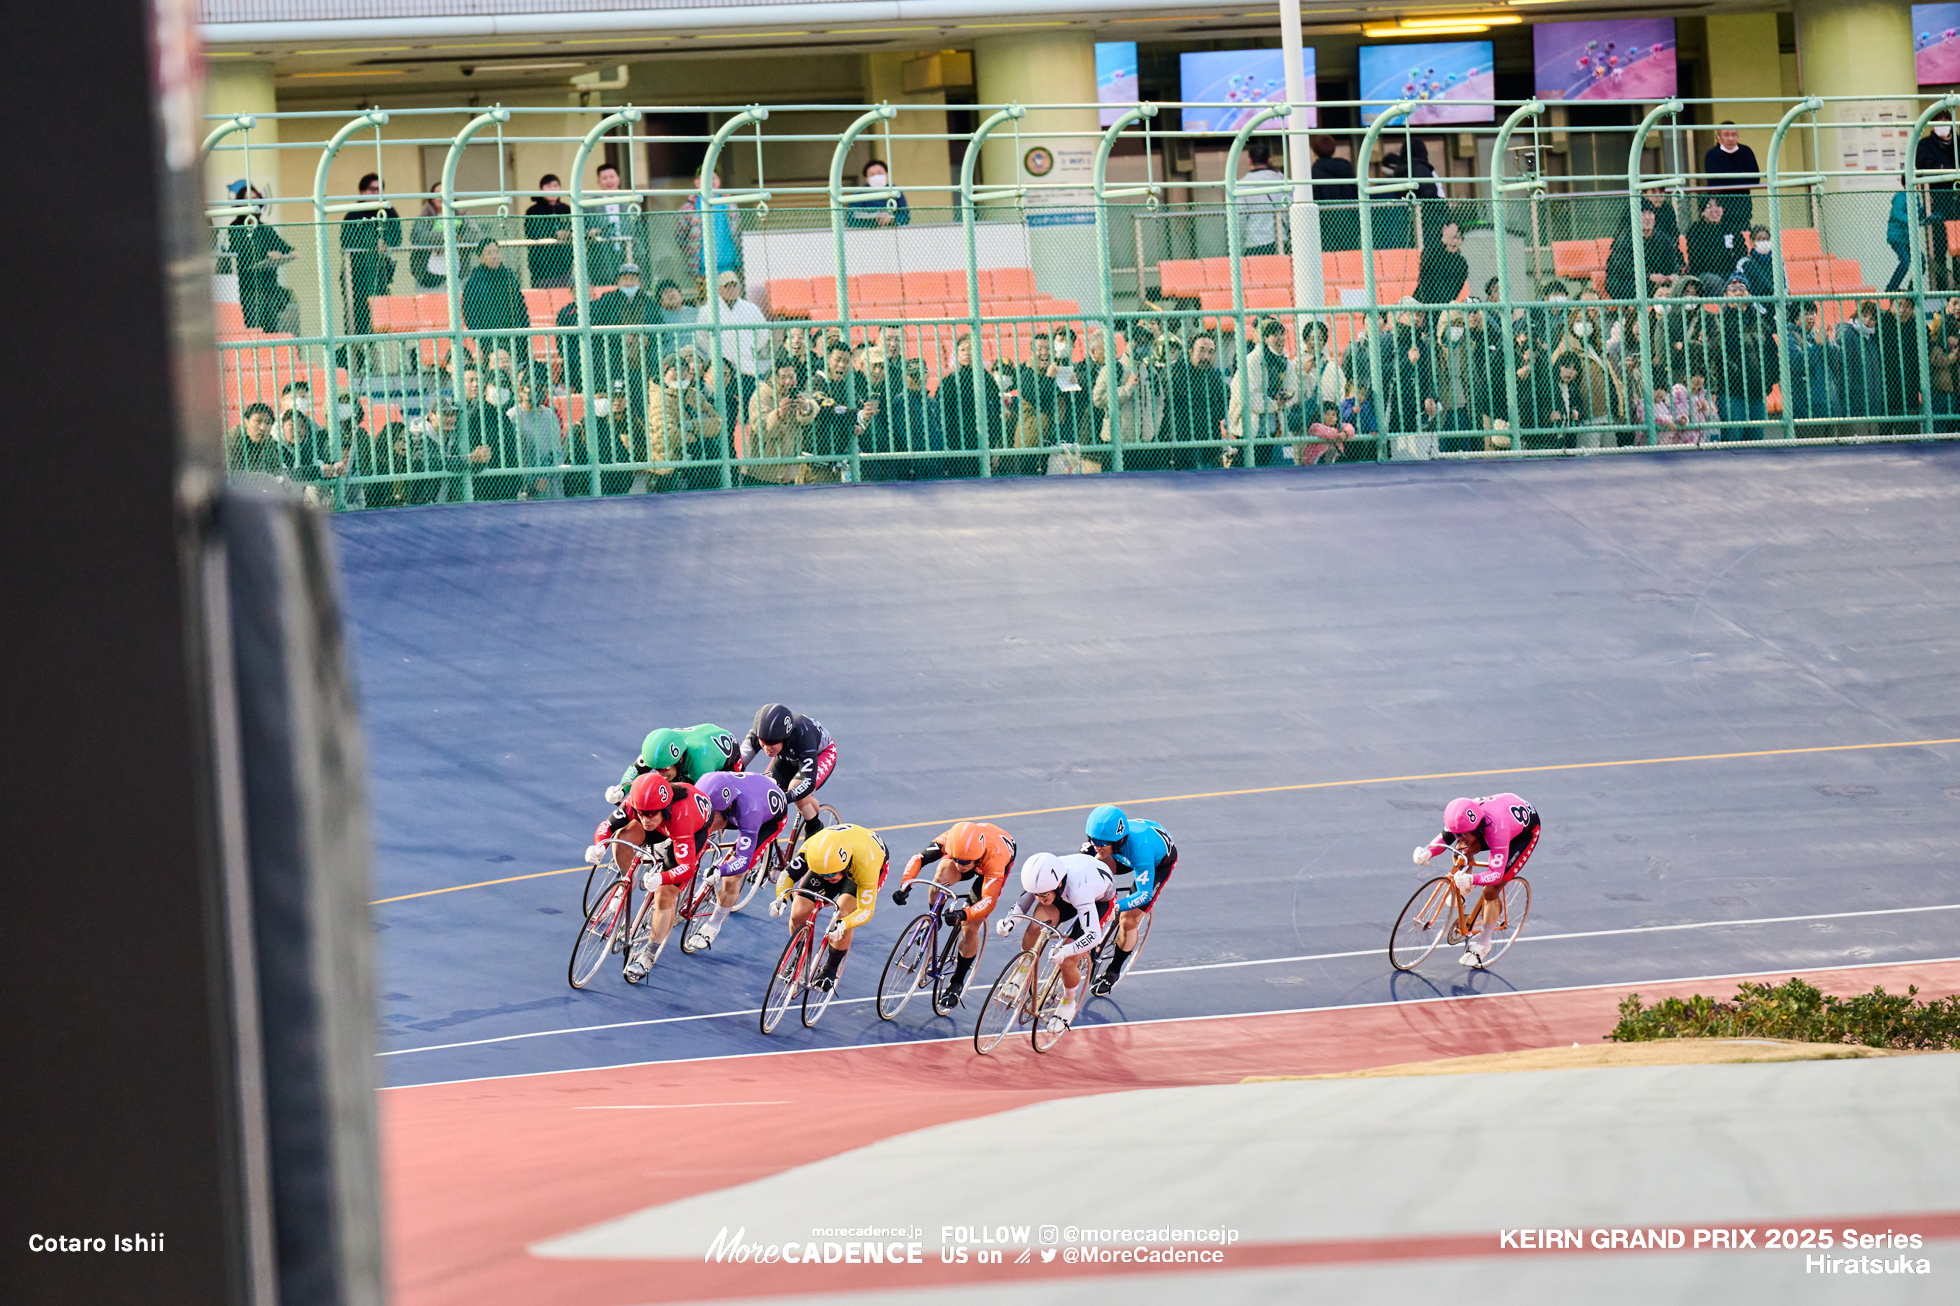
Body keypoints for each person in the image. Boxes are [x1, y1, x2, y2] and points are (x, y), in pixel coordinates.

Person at [583, 773, 714, 982]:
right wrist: (598, 845)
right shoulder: (637, 801)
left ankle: (649, 955)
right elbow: (607, 825)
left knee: (664, 896)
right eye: (641, 814)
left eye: (651, 814)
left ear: (665, 808)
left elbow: (687, 868)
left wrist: (663, 879)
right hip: (663, 825)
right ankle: (627, 882)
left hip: (690, 830)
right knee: (623, 837)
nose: (645, 820)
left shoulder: (681, 818)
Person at [892, 821, 1017, 1006]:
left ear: (977, 857)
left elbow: (988, 902)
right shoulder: (951, 839)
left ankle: (957, 982)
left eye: (964, 862)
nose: (959, 865)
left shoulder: (995, 860)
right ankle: (933, 920)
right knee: (941, 876)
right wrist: (905, 884)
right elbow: (919, 858)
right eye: (956, 859)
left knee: (970, 927)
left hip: (994, 861)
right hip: (974, 850)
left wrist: (964, 914)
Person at [1413, 794, 1541, 968]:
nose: (1458, 836)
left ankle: (1484, 942)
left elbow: (1496, 874)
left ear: (1477, 828)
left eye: (1462, 834)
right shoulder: (1460, 817)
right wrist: (1427, 851)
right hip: (1500, 815)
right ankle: (1465, 888)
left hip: (1523, 834)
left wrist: (1471, 879)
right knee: (1461, 849)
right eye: (1456, 833)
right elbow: (1445, 837)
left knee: (1491, 890)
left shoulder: (1498, 830)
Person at [997, 851, 1117, 1031]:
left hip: (1097, 900)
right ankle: (1023, 969)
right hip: (1064, 893)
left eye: (1043, 894)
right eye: (1036, 894)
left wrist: (1067, 950)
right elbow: (1022, 906)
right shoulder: (1042, 881)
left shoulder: (1079, 890)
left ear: (1059, 884)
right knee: (1035, 925)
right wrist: (1009, 921)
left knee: (1068, 962)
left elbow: (1093, 936)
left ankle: (1068, 1001)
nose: (1039, 899)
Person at [770, 823, 890, 991]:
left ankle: (830, 969)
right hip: (832, 859)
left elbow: (866, 911)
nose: (827, 878)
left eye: (831, 874)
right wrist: (781, 898)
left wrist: (844, 924)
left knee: (843, 913)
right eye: (822, 875)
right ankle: (799, 958)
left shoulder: (866, 866)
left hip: (867, 862)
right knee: (798, 912)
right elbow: (788, 874)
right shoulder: (812, 849)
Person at [685, 769, 790, 953]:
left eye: (713, 813)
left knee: (732, 878)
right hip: (745, 795)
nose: (707, 816)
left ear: (727, 810)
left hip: (768, 820)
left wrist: (721, 870)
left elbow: (743, 860)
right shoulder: (706, 782)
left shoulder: (750, 812)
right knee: (701, 827)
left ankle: (714, 925)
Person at [1080, 804, 1175, 995]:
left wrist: (1117, 907)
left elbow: (1144, 894)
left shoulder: (1141, 850)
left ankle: (1113, 970)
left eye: (1102, 842)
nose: (1096, 845)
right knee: (1089, 869)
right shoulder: (1101, 840)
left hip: (1155, 863)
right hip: (1123, 852)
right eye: (1093, 839)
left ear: (1120, 839)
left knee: (1127, 919)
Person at [738, 704, 835, 835]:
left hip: (820, 754)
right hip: (788, 756)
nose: (767, 748)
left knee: (798, 792)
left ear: (785, 737)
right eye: (763, 742)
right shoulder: (758, 733)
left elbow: (808, 782)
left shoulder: (804, 737)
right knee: (766, 787)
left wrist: (786, 797)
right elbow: (738, 763)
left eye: (772, 742)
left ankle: (814, 828)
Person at [695, 270, 769, 431]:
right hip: (722, 368)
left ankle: (750, 439)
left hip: (746, 365)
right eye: (726, 286)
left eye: (734, 285)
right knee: (725, 411)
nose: (731, 289)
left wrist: (751, 347)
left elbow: (763, 333)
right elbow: (701, 335)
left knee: (751, 408)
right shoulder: (708, 309)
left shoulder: (750, 308)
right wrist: (714, 351)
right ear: (719, 289)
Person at [646, 347, 723, 491]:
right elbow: (667, 434)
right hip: (667, 470)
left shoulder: (693, 394)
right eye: (675, 370)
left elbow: (717, 423)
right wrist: (695, 437)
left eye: (684, 370)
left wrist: (692, 426)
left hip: (696, 466)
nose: (681, 374)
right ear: (664, 372)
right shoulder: (659, 397)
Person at [225, 186, 300, 334]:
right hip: (249, 288)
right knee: (254, 328)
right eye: (248, 199)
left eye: (255, 199)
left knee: (271, 328)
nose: (252, 202)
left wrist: (290, 252)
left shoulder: (264, 228)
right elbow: (243, 254)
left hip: (269, 286)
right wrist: (266, 256)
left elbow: (281, 246)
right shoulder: (235, 228)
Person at [1228, 317, 1299, 465]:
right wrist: (1274, 403)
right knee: (1249, 466)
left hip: (1273, 426)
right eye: (1274, 334)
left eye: (1282, 333)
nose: (1280, 338)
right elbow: (1246, 396)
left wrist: (1285, 398)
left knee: (1267, 467)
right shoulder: (1251, 360)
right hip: (1251, 426)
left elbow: (1293, 390)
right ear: (1265, 338)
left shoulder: (1285, 362)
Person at [340, 173, 400, 339]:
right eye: (371, 189)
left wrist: (386, 243)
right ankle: (358, 349)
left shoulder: (388, 211)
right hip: (357, 274)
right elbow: (347, 241)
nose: (375, 193)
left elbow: (396, 236)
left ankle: (376, 349)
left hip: (380, 272)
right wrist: (373, 245)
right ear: (362, 191)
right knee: (358, 316)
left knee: (380, 316)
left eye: (379, 190)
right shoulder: (353, 214)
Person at [613, 723, 740, 798]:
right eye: (656, 769)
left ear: (680, 759)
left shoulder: (701, 765)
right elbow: (636, 770)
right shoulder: (659, 749)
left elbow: (702, 803)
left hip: (729, 760)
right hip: (701, 739)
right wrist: (621, 789)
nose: (660, 774)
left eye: (664, 768)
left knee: (718, 799)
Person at [937, 333, 1004, 476]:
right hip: (958, 440)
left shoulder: (987, 379)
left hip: (984, 439)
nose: (967, 353)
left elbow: (996, 409)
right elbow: (943, 413)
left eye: (971, 348)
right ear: (957, 353)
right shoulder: (950, 382)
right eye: (963, 350)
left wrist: (995, 439)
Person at [1164, 332, 1233, 468]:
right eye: (1201, 350)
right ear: (1190, 351)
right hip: (1182, 444)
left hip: (1209, 443)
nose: (1206, 356)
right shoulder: (1175, 373)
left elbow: (1223, 406)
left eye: (1211, 352)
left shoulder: (1214, 378)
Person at [749, 353, 816, 485]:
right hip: (762, 471)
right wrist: (779, 414)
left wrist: (806, 407)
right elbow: (761, 428)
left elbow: (813, 408)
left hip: (789, 471)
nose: (788, 382)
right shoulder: (761, 396)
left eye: (791, 377)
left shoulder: (796, 395)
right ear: (773, 378)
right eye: (783, 377)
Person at [461, 238, 530, 362]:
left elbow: (521, 307)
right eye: (489, 253)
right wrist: (482, 338)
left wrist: (523, 332)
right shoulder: (474, 282)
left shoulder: (509, 276)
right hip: (489, 339)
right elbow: (470, 314)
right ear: (481, 257)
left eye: (497, 252)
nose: (494, 256)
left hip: (515, 337)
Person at [677, 166, 742, 296]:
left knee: (730, 301)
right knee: (705, 302)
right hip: (702, 268)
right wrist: (693, 252)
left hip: (729, 266)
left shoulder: (730, 204)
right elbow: (680, 236)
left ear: (719, 181)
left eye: (714, 178)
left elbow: (738, 230)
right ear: (697, 182)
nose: (710, 181)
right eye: (706, 178)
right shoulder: (689, 207)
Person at [1916, 113, 1960, 291]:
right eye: (1939, 122)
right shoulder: (1925, 145)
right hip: (1938, 202)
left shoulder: (1958, 142)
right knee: (1939, 248)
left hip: (1958, 201)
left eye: (1946, 121)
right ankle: (1942, 291)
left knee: (1958, 248)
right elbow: (1925, 166)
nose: (1943, 125)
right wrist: (1950, 170)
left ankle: (1958, 286)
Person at [510, 372, 563, 498]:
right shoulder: (512, 417)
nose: (537, 392)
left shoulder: (550, 416)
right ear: (521, 390)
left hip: (551, 487)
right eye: (531, 388)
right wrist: (530, 481)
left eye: (541, 387)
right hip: (525, 489)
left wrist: (545, 475)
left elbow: (557, 452)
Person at [1702, 122, 1760, 235]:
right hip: (1720, 210)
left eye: (1734, 135)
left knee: (1741, 240)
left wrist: (1728, 177)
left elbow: (1754, 179)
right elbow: (1715, 182)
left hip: (1742, 209)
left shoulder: (1746, 152)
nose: (1731, 138)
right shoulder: (1712, 155)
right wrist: (1740, 176)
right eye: (1726, 135)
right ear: (1718, 138)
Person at [584, 161, 635, 288]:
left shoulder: (630, 203)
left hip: (627, 253)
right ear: (598, 182)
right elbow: (582, 230)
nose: (609, 181)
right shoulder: (590, 205)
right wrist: (590, 232)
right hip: (602, 257)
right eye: (605, 178)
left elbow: (639, 231)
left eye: (612, 177)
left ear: (618, 179)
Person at [1309, 134, 1359, 252]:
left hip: (1327, 226)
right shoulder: (1346, 166)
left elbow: (1316, 197)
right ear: (1334, 149)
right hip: (1350, 223)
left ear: (1314, 152)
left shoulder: (1316, 170)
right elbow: (1356, 192)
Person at [1238, 141, 1288, 257]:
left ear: (1249, 161)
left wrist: (1239, 242)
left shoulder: (1242, 184)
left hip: (1254, 242)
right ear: (1269, 160)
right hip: (1280, 240)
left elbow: (1239, 218)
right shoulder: (1282, 180)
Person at [524, 175, 574, 288]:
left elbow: (573, 228)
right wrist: (554, 235)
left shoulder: (566, 209)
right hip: (541, 269)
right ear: (541, 189)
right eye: (548, 186)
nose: (552, 189)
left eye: (555, 186)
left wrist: (568, 234)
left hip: (564, 266)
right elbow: (532, 234)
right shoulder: (533, 211)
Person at [1686, 198, 1743, 284]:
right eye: (1709, 207)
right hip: (1706, 273)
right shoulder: (1696, 230)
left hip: (1731, 272)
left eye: (1718, 206)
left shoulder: (1730, 228)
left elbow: (1741, 252)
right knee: (1716, 281)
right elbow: (1698, 259)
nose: (1715, 210)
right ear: (1702, 213)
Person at [845, 158, 910, 228]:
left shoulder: (895, 191)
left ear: (886, 174)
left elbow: (905, 216)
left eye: (879, 173)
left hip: (892, 230)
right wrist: (874, 219)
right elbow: (851, 218)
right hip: (866, 232)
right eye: (872, 174)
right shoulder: (859, 193)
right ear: (867, 178)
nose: (876, 176)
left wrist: (891, 219)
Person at [1415, 220, 1468, 304]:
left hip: (1444, 305)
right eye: (1452, 237)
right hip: (1422, 302)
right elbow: (1426, 280)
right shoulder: (1432, 254)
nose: (1455, 242)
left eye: (1458, 238)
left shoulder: (1461, 264)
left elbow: (1452, 293)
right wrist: (1444, 240)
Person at [1886, 175, 1915, 294]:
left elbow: (1919, 213)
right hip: (1897, 236)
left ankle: (1913, 289)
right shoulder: (1900, 197)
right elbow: (1897, 213)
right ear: (1905, 185)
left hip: (1908, 238)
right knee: (1905, 261)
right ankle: (1890, 289)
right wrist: (1912, 219)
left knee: (1921, 262)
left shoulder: (1915, 197)